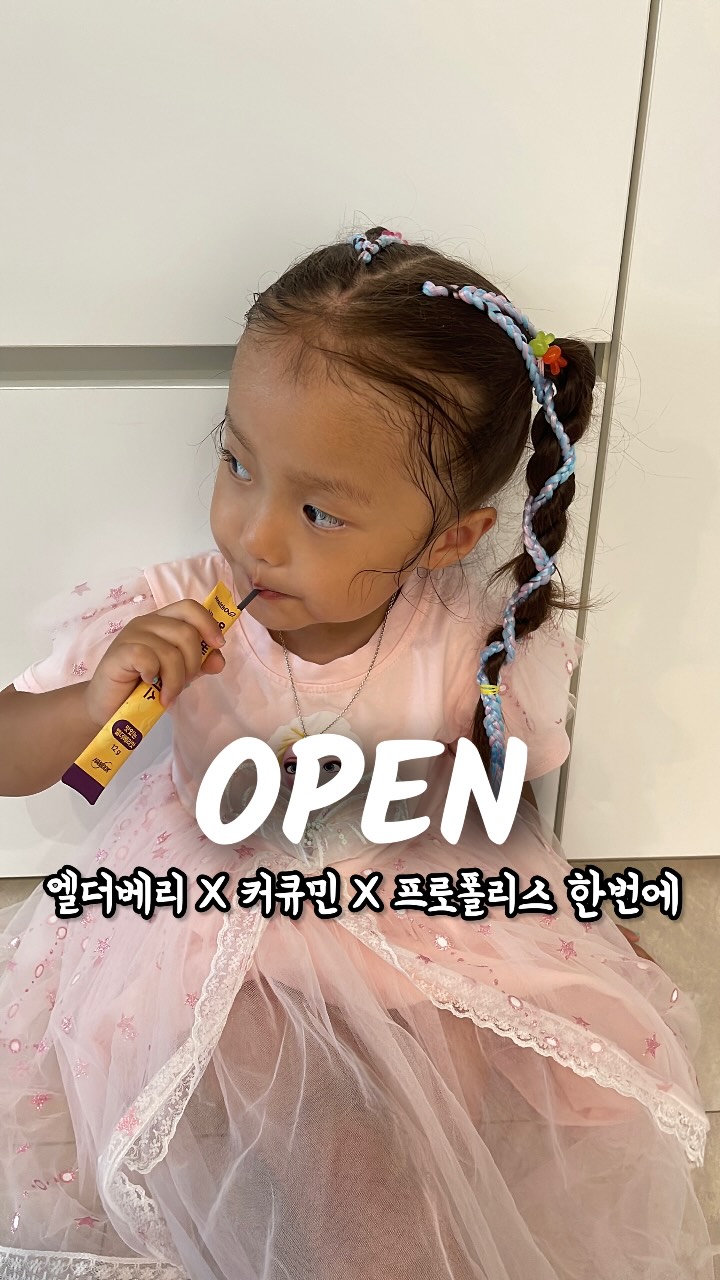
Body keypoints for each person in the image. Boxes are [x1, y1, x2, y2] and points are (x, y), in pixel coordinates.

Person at [0, 227, 715, 1279]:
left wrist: (569, 912)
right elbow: (12, 757)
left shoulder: (467, 633)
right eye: (237, 462)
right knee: (337, 1155)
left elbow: (494, 797)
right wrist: (97, 697)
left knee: (433, 1151)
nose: (255, 534)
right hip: (220, 926)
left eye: (318, 510)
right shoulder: (170, 609)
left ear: (448, 537)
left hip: (423, 917)